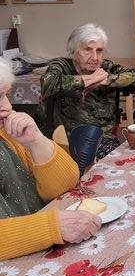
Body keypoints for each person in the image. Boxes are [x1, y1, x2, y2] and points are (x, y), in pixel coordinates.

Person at [0, 58, 101, 260]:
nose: (8, 106)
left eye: (5, 95)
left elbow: (65, 185)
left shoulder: (6, 135)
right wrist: (51, 227)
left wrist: (36, 140)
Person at [37, 23, 135, 159]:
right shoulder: (62, 66)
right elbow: (48, 83)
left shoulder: (106, 68)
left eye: (99, 51)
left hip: (104, 140)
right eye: (87, 49)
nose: (94, 57)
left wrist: (106, 80)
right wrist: (89, 80)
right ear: (73, 51)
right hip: (67, 143)